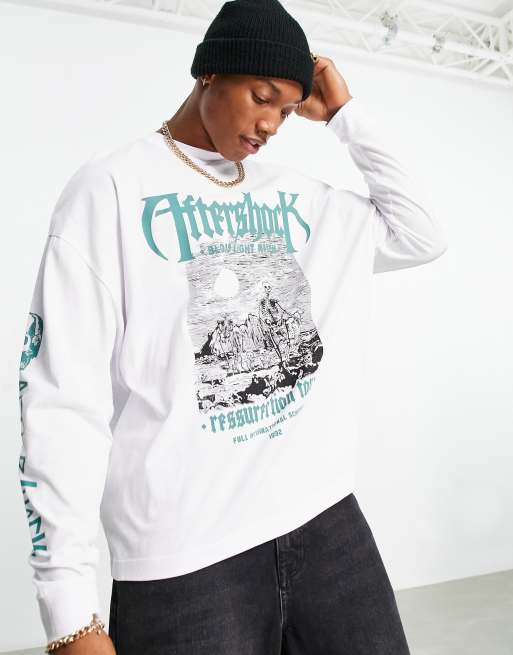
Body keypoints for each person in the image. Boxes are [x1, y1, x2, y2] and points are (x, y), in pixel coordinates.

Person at [17, 0, 448, 653]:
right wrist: (69, 613)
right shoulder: (110, 190)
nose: (271, 123)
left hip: (325, 523)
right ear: (209, 73)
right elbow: (61, 403)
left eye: (287, 109)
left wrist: (344, 115)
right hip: (185, 559)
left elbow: (422, 233)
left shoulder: (301, 199)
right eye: (262, 97)